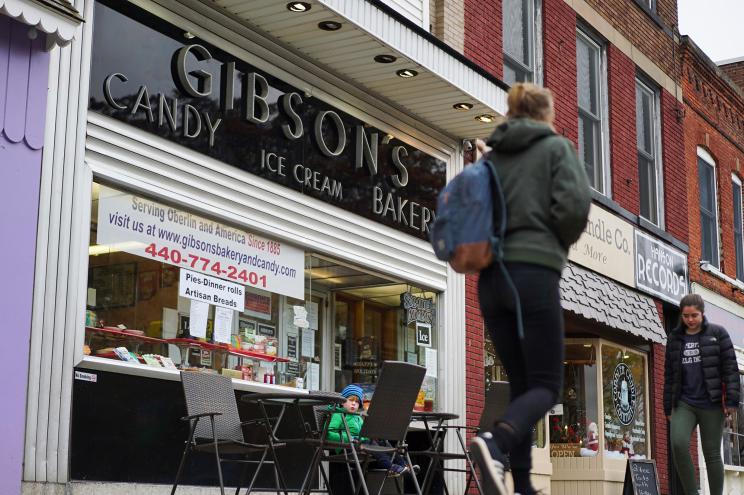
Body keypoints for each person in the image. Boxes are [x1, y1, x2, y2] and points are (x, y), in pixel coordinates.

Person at [469, 82, 592, 495]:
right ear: (546, 114)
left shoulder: (494, 155)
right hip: (533, 275)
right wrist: (552, 244)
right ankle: (495, 442)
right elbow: (574, 208)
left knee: (522, 386)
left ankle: (522, 485)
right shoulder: (556, 148)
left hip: (490, 282)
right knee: (546, 385)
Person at [664, 294, 740, 495]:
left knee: (712, 453)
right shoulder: (674, 339)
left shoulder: (718, 333)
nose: (690, 320)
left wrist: (732, 401)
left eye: (694, 315)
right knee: (678, 444)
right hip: (683, 402)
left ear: (702, 313)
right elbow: (669, 374)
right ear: (681, 315)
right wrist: (667, 407)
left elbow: (731, 368)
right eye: (686, 315)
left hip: (711, 403)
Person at [327, 384, 409, 476]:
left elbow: (364, 433)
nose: (354, 403)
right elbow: (329, 434)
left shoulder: (357, 417)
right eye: (351, 400)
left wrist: (371, 436)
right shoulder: (338, 414)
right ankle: (391, 467)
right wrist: (352, 439)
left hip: (360, 445)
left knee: (382, 442)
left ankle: (404, 465)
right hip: (346, 447)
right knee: (370, 443)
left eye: (357, 402)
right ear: (342, 402)